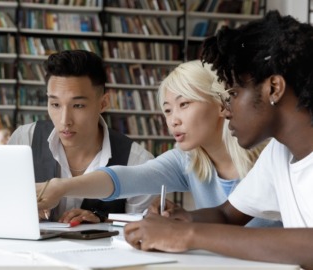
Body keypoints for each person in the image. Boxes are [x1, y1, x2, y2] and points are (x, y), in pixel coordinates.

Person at [40, 11, 313, 269]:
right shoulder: (279, 154)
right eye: (168, 109)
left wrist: (189, 234)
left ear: (274, 88)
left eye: (233, 92)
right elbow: (228, 215)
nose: (227, 108)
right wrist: (180, 222)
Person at [35, 58, 280, 226]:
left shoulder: (272, 158)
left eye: (184, 104)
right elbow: (126, 178)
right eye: (168, 110)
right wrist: (61, 187)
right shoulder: (187, 161)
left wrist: (186, 225)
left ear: (221, 103)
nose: (173, 120)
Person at [9, 50, 155, 223]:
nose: (65, 120)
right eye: (55, 104)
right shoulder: (23, 140)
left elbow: (143, 231)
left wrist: (103, 222)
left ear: (103, 103)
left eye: (78, 105)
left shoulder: (138, 163)